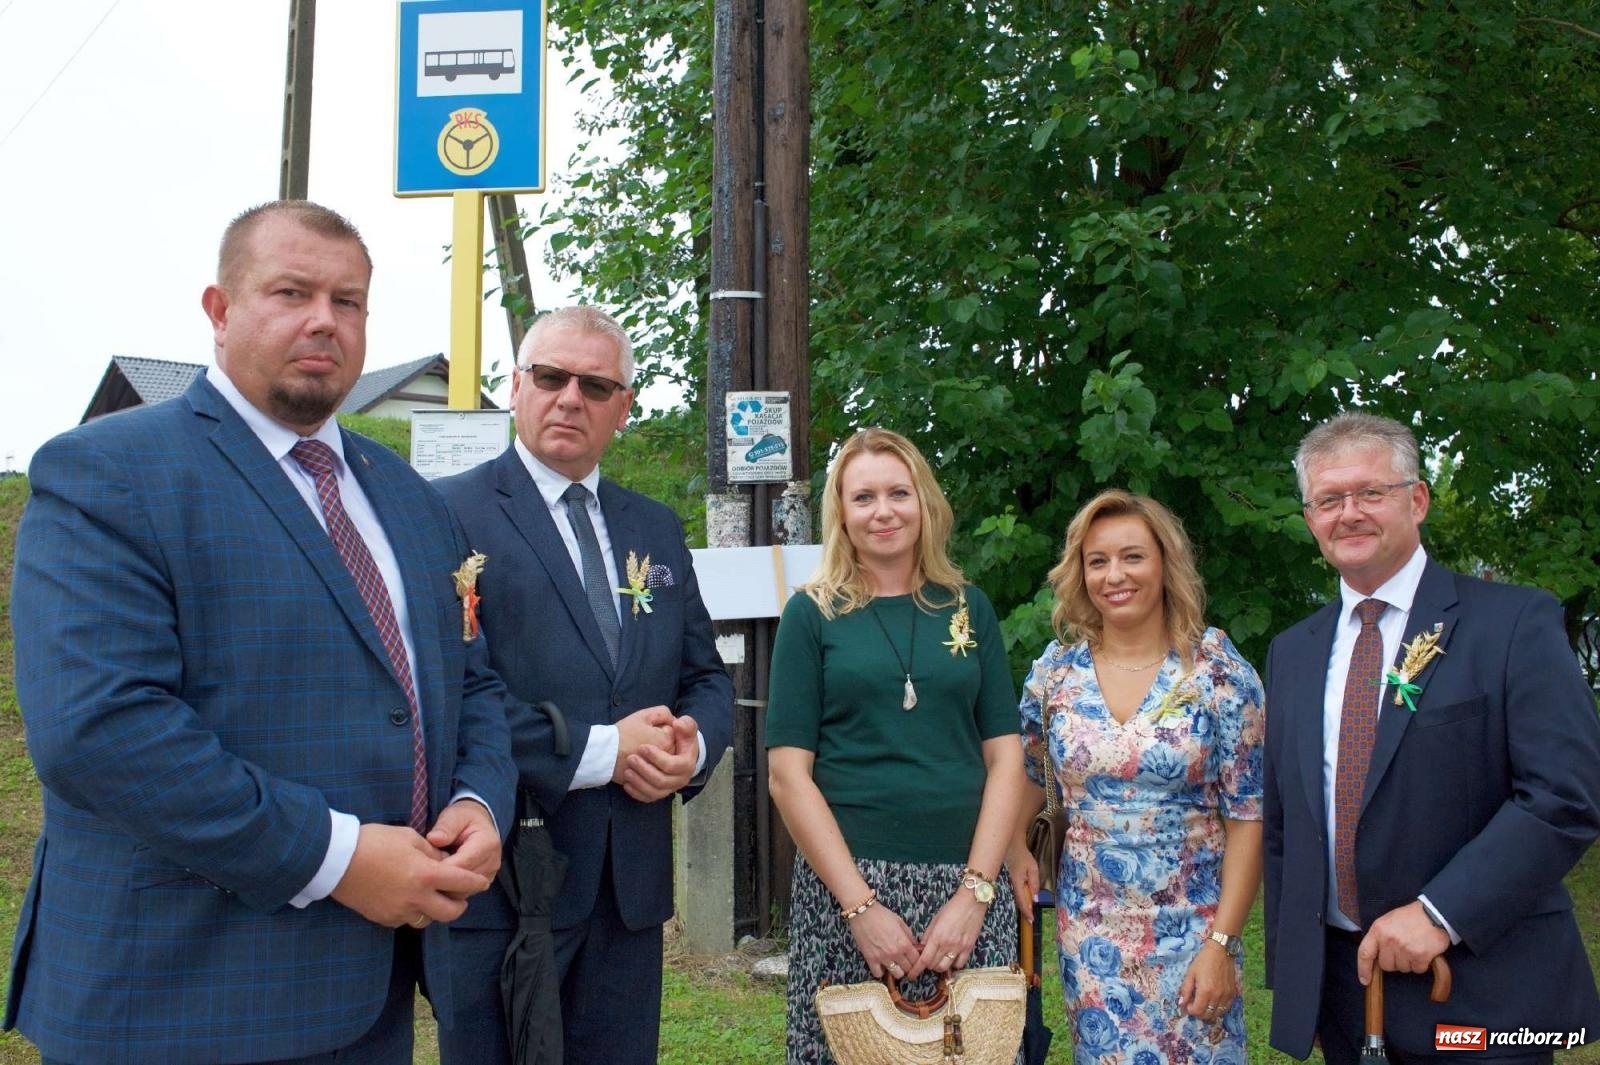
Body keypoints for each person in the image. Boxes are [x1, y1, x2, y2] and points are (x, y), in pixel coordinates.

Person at [4, 200, 519, 1065]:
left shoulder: (411, 501)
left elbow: (472, 683)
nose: (324, 319)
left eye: (348, 301)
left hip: (366, 998)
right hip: (178, 997)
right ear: (220, 309)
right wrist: (342, 855)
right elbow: (101, 730)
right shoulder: (109, 471)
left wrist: (477, 799)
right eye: (291, 291)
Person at [433, 305, 734, 1065]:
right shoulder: (445, 515)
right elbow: (451, 693)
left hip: (626, 891)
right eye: (551, 376)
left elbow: (705, 676)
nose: (571, 397)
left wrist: (691, 748)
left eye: (596, 385)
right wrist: (606, 751)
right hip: (502, 883)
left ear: (623, 408)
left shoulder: (656, 528)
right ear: (515, 386)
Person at [1262, 412, 1600, 1063]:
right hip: (1344, 991)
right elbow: (1286, 827)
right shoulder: (1292, 651)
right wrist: (1296, 982)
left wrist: (1440, 912)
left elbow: (1566, 793)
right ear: (1310, 520)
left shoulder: (1512, 622)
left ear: (1417, 499)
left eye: (1370, 492)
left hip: (1478, 988)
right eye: (1329, 499)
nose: (1349, 512)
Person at [766, 427, 1026, 1065]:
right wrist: (860, 907)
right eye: (863, 498)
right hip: (850, 883)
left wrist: (975, 894)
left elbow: (1006, 757)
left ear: (925, 503)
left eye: (898, 493)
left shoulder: (969, 608)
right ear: (842, 515)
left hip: (968, 877)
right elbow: (787, 776)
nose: (883, 511)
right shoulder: (811, 616)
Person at [1009, 489, 1264, 1063]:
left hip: (1195, 933)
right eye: (1096, 561)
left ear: (1165, 564)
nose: (1114, 575)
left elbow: (1250, 814)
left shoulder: (1217, 670)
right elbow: (1025, 773)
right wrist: (1012, 849)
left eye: (1132, 557)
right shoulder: (1055, 674)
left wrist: (1222, 943)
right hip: (1092, 939)